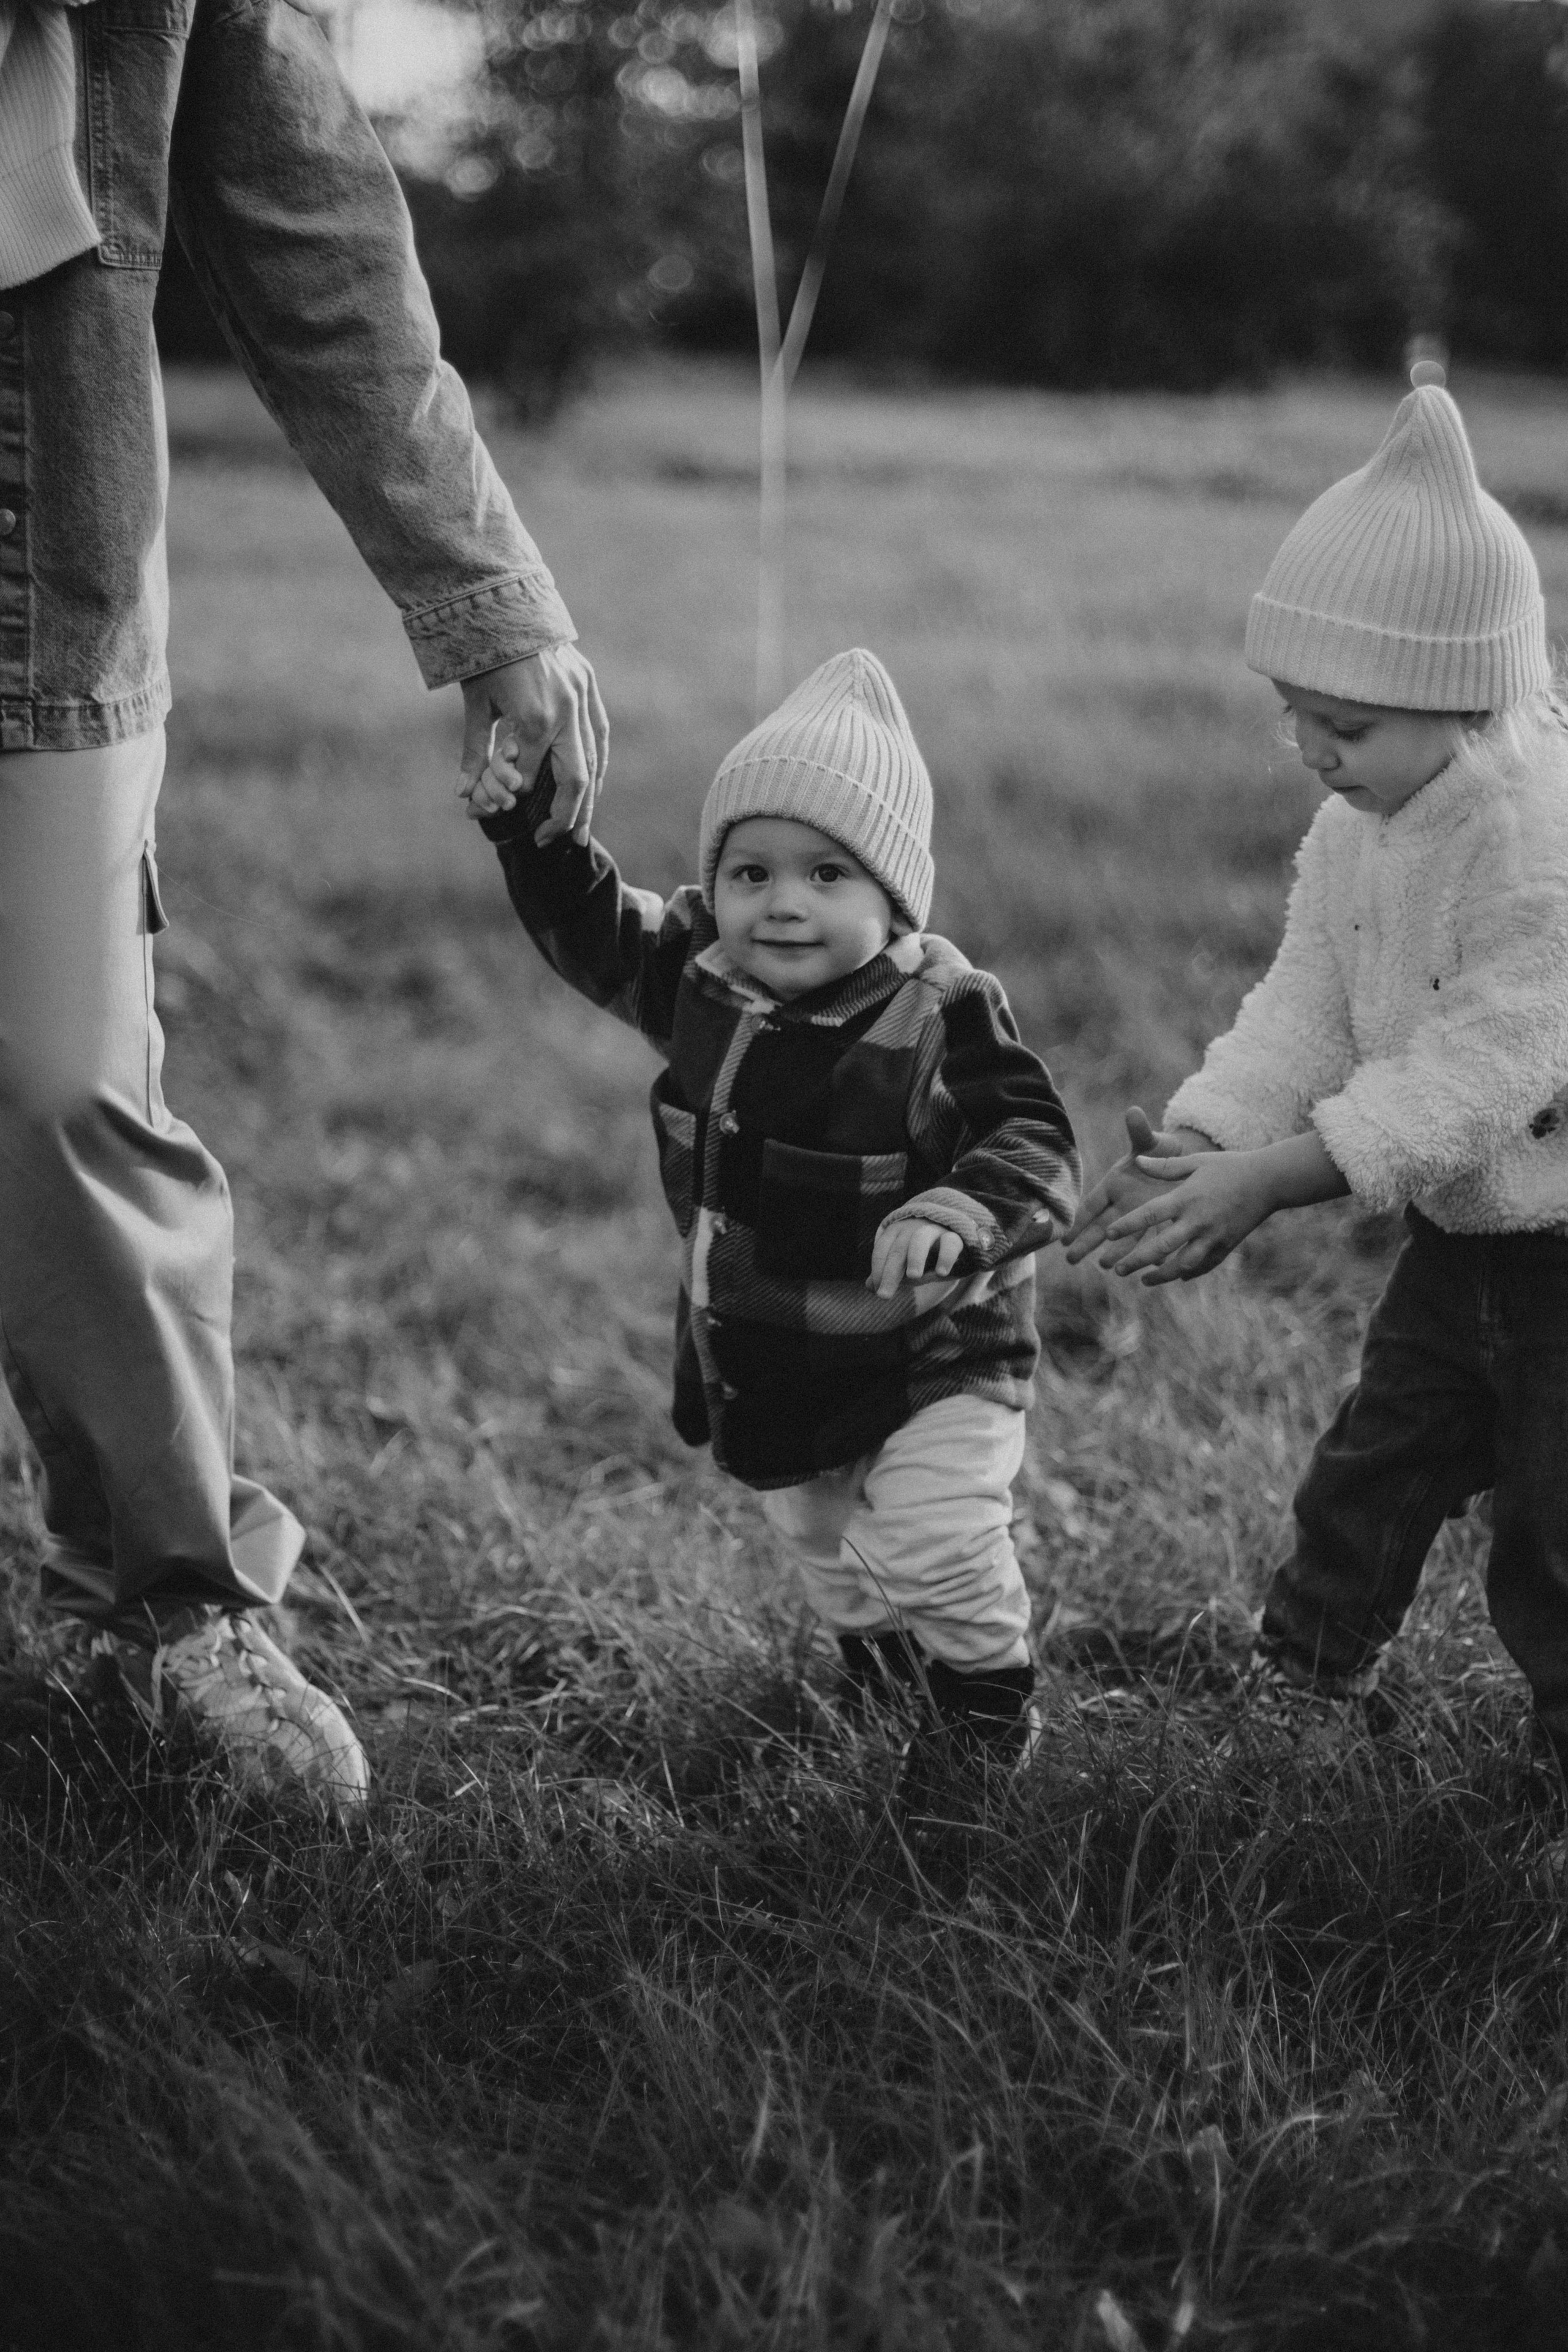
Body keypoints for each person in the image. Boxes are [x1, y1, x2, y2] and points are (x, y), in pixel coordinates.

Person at [0, 0, 608, 1811]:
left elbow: (313, 217)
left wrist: (493, 602)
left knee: (59, 1082)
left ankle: (175, 1612)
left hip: (35, 580)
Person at [465, 648, 1080, 1793]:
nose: (781, 901)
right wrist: (537, 840)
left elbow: (1038, 1139)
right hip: (779, 1347)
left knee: (938, 1543)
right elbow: (597, 936)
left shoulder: (937, 1008)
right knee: (828, 1550)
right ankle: (883, 1676)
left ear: (894, 895)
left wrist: (961, 1205)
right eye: (749, 872)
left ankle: (984, 1719)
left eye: (826, 875)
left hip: (937, 1352)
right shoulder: (703, 976)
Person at [1065, 368, 1568, 1758]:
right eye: (1292, 711)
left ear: (1462, 700)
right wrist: (1209, 1135)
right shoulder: (1360, 824)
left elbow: (1489, 1067)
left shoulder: (1538, 845)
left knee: (1551, 1524)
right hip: (1459, 1244)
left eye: (1340, 726)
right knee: (1372, 1465)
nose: (1307, 751)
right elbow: (1306, 998)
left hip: (1561, 1257)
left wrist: (1283, 1178)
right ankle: (1307, 1682)